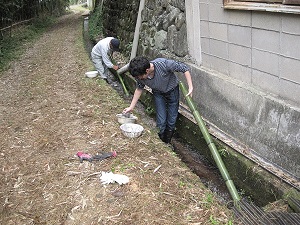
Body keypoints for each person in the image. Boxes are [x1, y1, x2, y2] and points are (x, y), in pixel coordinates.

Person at [123, 56, 193, 144]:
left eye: (140, 77)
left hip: (172, 91)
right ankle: (161, 142)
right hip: (158, 93)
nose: (139, 79)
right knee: (161, 121)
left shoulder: (164, 64)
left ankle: (167, 142)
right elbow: (139, 89)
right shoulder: (140, 75)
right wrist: (131, 107)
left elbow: (184, 68)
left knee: (171, 120)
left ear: (147, 71)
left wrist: (190, 87)